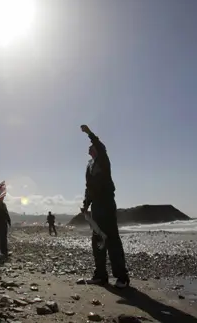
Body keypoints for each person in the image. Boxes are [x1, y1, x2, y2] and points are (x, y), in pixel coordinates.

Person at [79, 124, 129, 289]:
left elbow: (100, 147)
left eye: (91, 147)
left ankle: (122, 277)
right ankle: (100, 276)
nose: (89, 149)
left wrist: (89, 133)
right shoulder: (89, 166)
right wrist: (86, 205)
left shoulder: (103, 161)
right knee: (98, 239)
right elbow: (89, 188)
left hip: (107, 203)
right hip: (96, 207)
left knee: (112, 239)